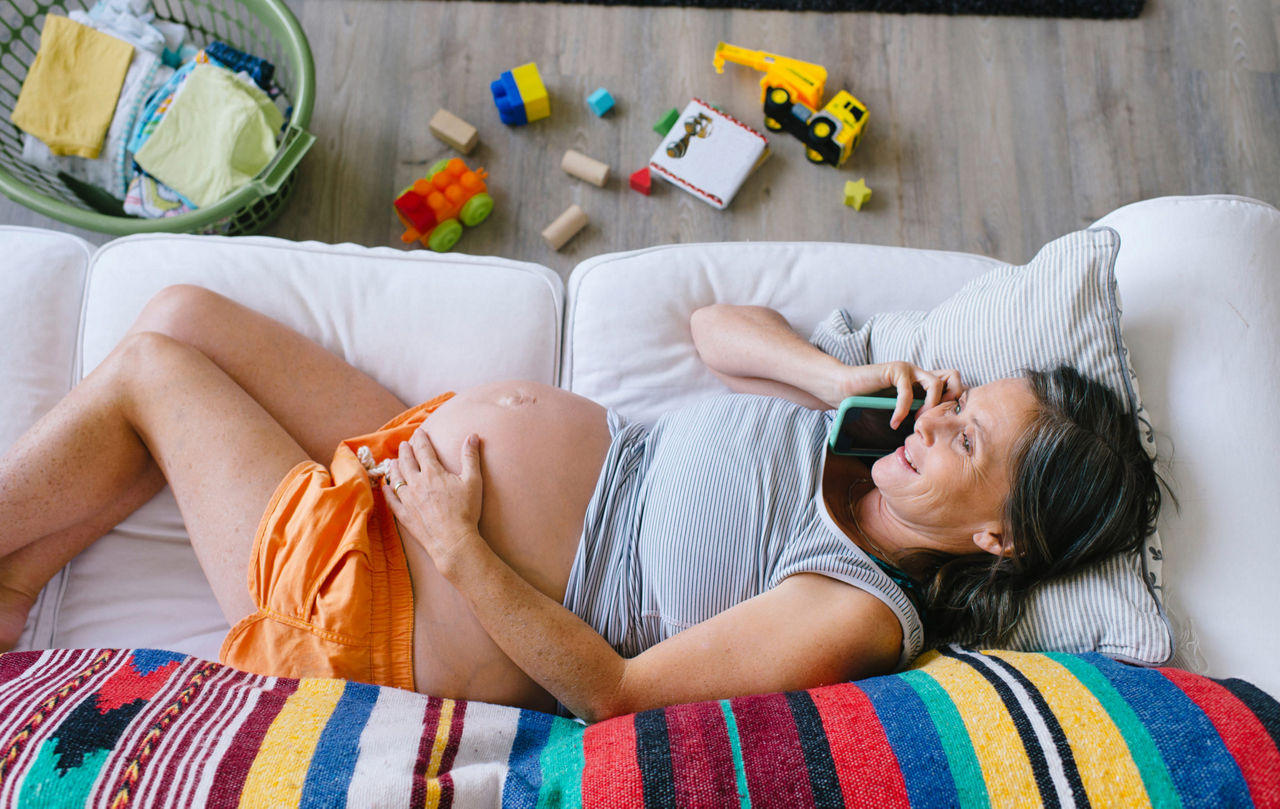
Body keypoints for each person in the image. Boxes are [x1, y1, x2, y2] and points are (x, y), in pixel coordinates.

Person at [0, 288, 1161, 721]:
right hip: (420, 459)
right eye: (956, 399)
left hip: (402, 586)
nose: (932, 420)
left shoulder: (853, 605)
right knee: (187, 316)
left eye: (964, 438)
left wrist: (457, 542)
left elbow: (611, 694)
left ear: (997, 535)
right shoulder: (863, 428)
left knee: (154, 373)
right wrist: (833, 376)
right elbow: (715, 325)